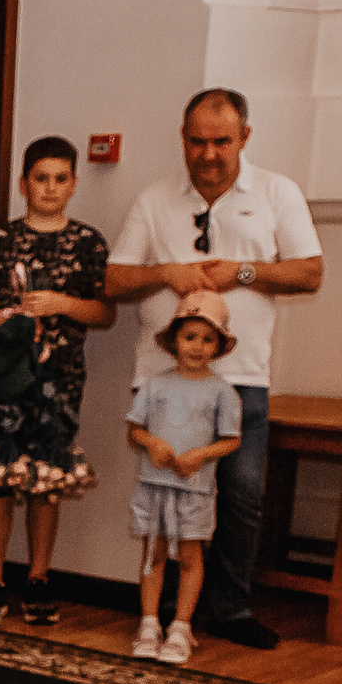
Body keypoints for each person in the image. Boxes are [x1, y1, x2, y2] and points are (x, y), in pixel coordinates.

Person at [107, 89, 324, 650]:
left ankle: (228, 609)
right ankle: (169, 615)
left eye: (220, 142)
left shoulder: (278, 192)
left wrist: (245, 272)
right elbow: (114, 282)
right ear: (183, 139)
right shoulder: (155, 200)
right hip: (164, 378)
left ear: (244, 139)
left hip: (242, 377)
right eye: (196, 141)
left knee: (242, 492)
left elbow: (310, 273)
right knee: (172, 490)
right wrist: (166, 273)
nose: (208, 154)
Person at [0, 135, 113, 627]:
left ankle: (39, 575)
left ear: (73, 184)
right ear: (24, 184)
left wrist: (63, 304)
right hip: (1, 378)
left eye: (60, 179)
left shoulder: (88, 243)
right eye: (40, 178)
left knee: (46, 480)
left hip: (58, 379)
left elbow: (104, 312)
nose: (49, 188)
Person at [125, 292, 243, 665]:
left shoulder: (223, 392)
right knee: (154, 554)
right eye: (190, 337)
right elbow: (136, 430)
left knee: (191, 555)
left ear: (219, 346)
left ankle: (180, 626)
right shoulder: (155, 385)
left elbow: (230, 440)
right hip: (155, 484)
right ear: (174, 340)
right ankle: (148, 623)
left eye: (208, 339)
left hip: (195, 488)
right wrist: (152, 443)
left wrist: (200, 455)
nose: (197, 346)